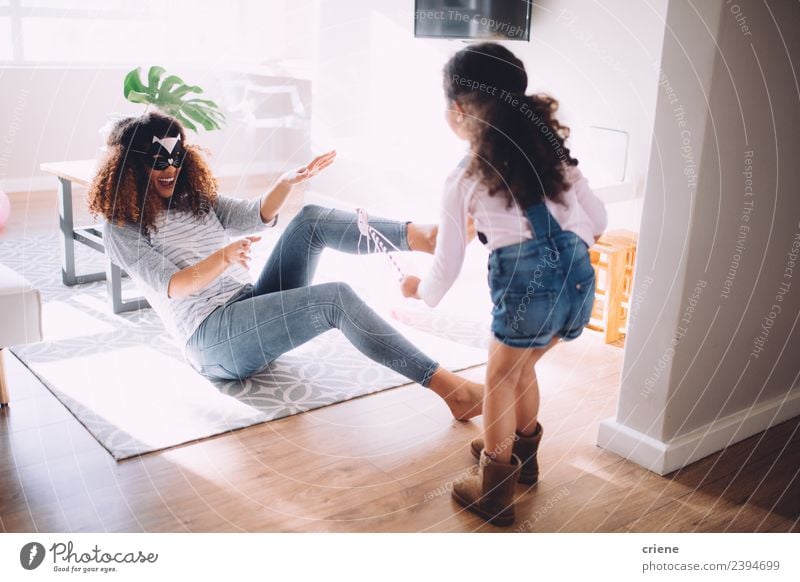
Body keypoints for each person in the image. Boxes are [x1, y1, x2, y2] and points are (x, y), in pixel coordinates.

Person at [87, 110, 482, 420]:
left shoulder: (193, 197)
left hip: (248, 307)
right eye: (158, 161)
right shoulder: (120, 227)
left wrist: (285, 183)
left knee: (310, 217)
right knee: (335, 298)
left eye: (176, 157)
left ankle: (426, 237)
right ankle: (454, 391)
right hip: (211, 340)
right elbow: (172, 284)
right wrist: (222, 258)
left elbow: (253, 215)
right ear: (131, 168)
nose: (170, 168)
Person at [400, 43, 608, 525]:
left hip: (526, 292)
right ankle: (523, 459)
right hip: (577, 286)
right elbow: (597, 221)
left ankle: (493, 488)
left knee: (498, 377)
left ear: (457, 110)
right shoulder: (554, 156)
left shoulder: (464, 177)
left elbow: (446, 266)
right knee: (520, 368)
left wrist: (418, 291)